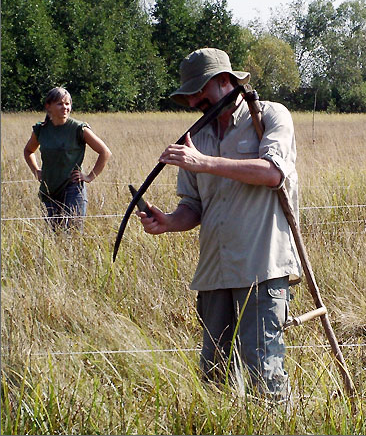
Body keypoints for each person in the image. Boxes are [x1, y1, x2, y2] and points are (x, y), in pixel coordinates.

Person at [137, 47, 301, 400]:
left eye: (201, 92)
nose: (196, 101)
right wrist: (168, 222)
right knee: (214, 372)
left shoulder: (269, 116)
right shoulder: (199, 137)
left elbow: (273, 173)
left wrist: (205, 162)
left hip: (261, 266)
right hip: (215, 272)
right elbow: (193, 206)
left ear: (225, 81)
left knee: (262, 371)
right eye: (190, 96)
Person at [24, 87, 112, 230]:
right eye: (60, 103)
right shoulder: (41, 129)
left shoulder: (79, 128)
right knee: (54, 233)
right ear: (48, 106)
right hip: (49, 188)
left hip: (73, 188)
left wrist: (89, 177)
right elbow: (28, 151)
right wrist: (36, 171)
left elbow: (105, 152)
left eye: (67, 104)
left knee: (74, 232)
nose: (65, 107)